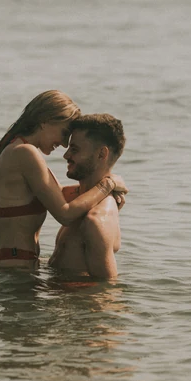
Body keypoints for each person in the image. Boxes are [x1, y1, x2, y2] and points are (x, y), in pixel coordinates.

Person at [0, 91, 126, 271]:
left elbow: (60, 195)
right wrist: (108, 185)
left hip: (9, 261)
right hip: (15, 268)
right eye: (64, 132)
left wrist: (108, 194)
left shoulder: (17, 148)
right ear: (45, 121)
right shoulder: (25, 153)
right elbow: (65, 215)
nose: (65, 144)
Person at [48, 114, 126, 282]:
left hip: (72, 305)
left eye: (75, 149)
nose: (66, 155)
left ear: (101, 154)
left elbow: (107, 291)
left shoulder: (95, 221)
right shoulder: (82, 200)